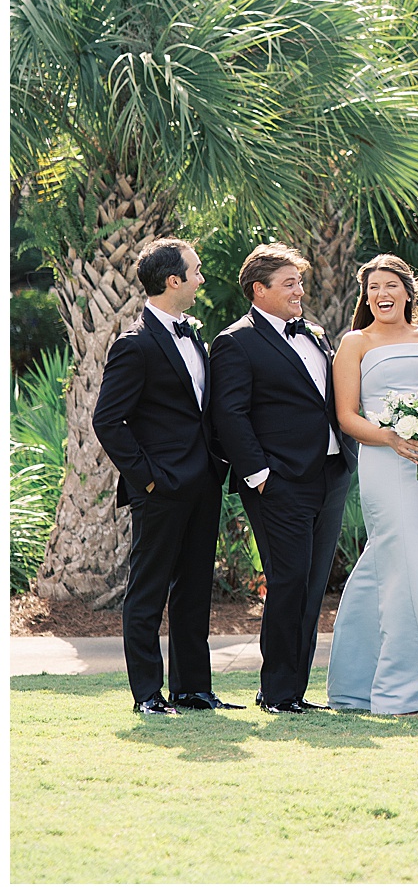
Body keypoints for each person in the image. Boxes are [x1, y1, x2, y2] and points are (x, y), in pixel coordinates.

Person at [92, 238, 236, 716]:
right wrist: (149, 479)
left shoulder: (192, 334)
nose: (200, 278)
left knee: (195, 589)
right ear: (173, 280)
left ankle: (193, 689)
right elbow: (108, 421)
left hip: (202, 483)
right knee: (149, 591)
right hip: (161, 488)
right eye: (195, 271)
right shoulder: (135, 344)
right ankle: (148, 695)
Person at [210, 243, 355, 714]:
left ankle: (293, 689)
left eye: (299, 282)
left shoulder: (314, 333)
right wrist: (261, 475)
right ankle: (275, 691)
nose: (300, 291)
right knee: (289, 580)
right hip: (280, 482)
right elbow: (229, 415)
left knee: (312, 586)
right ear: (260, 289)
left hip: (330, 475)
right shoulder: (235, 341)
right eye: (289, 283)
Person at [326, 255, 418, 716]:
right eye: (372, 289)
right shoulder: (355, 343)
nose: (381, 295)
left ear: (409, 291)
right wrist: (390, 436)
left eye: (389, 286)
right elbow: (347, 416)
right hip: (386, 462)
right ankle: (397, 687)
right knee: (399, 559)